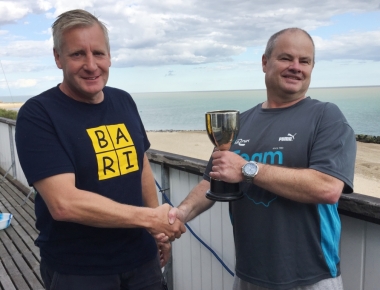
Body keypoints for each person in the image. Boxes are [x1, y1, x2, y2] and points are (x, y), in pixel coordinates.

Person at [169, 28, 356, 290]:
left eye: (305, 61)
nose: (295, 67)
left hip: (312, 276)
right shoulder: (240, 122)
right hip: (248, 274)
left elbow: (327, 187)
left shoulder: (326, 116)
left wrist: (246, 168)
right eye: (286, 58)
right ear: (265, 62)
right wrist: (179, 214)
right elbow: (211, 182)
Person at [15, 9, 185, 290]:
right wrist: (150, 219)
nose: (91, 65)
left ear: (110, 56)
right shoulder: (39, 113)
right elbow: (63, 204)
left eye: (99, 53)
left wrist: (158, 231)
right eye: (77, 54)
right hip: (80, 269)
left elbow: (140, 165)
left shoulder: (123, 101)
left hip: (142, 260)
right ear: (58, 58)